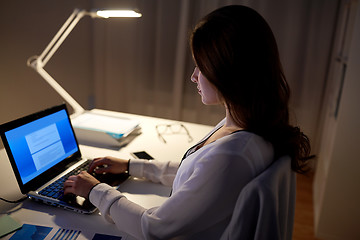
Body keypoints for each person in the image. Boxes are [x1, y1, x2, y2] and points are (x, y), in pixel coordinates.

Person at [64, 5, 311, 239]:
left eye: (200, 67)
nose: (193, 76)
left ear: (228, 71)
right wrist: (132, 166)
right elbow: (199, 174)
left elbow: (152, 228)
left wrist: (95, 190)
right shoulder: (247, 125)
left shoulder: (233, 156)